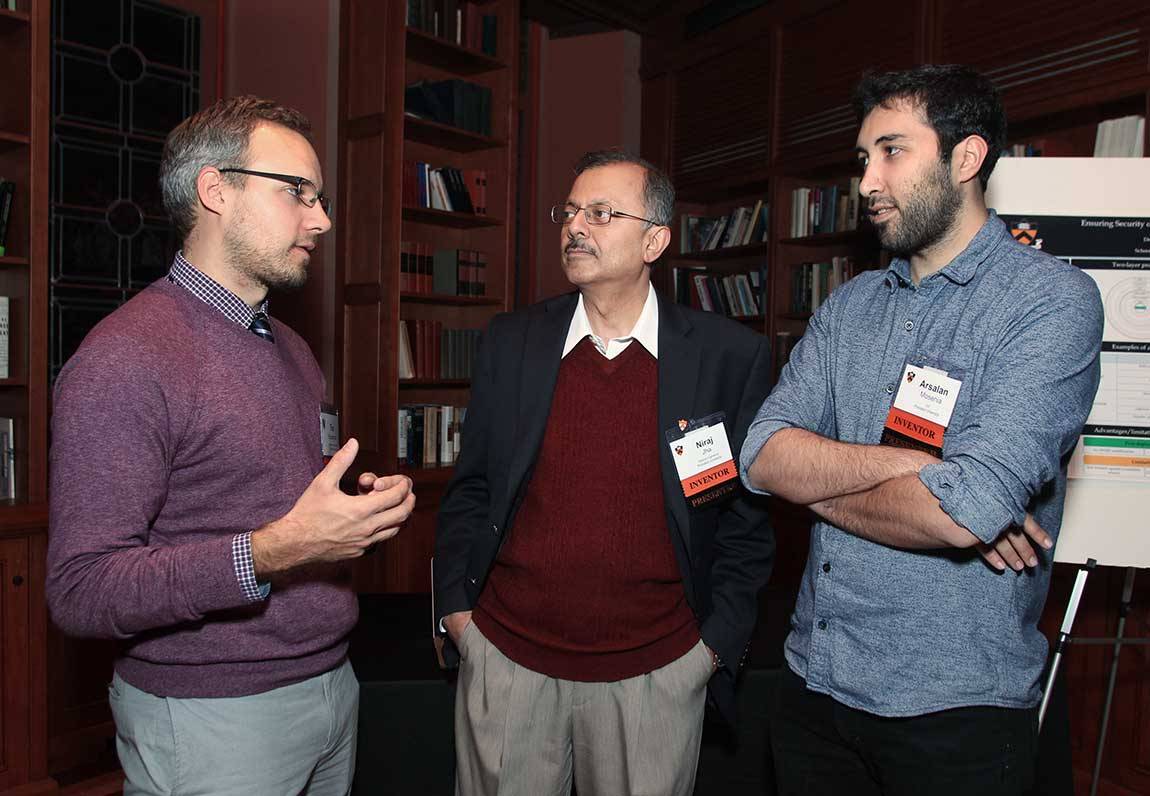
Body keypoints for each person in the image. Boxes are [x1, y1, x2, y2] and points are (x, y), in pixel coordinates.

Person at [740, 65, 1104, 795]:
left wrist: (822, 486)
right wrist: (915, 468)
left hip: (954, 711)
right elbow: (760, 454)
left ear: (965, 159)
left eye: (892, 152)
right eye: (863, 159)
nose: (868, 180)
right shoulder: (850, 306)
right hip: (817, 683)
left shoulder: (1050, 303)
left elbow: (959, 513)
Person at [47, 95, 415, 796]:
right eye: (297, 194)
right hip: (213, 716)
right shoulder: (126, 358)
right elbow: (81, 589)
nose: (322, 219)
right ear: (215, 189)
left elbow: (280, 506)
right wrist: (274, 551)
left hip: (331, 685)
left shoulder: (294, 348)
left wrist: (352, 516)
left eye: (322, 196)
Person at [434, 150, 775, 795]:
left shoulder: (729, 357)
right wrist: (458, 613)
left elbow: (744, 524)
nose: (574, 228)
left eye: (600, 213)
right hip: (507, 660)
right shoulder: (513, 342)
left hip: (657, 673)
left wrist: (709, 652)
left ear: (655, 240)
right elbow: (471, 488)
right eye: (569, 212)